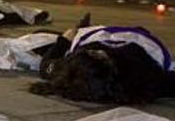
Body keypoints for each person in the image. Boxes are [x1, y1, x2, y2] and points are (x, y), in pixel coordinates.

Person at [31, 23, 175, 104]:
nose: (95, 51)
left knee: (39, 34)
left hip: (90, 34)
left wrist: (64, 40)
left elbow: (46, 66)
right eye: (95, 54)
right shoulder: (144, 72)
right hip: (135, 39)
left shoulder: (70, 71)